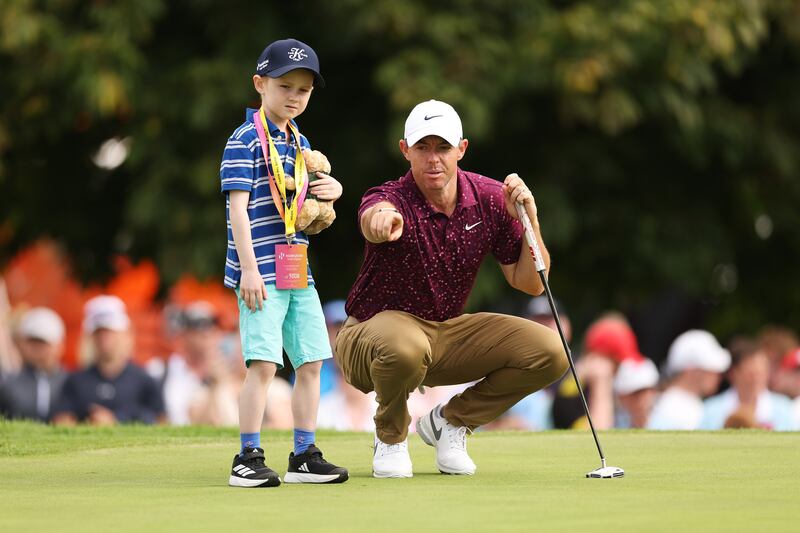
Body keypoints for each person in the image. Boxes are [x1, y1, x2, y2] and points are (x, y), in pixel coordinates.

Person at [335, 99, 569, 478]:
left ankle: (451, 423)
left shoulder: (491, 199)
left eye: (442, 147)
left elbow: (529, 284)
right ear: (405, 150)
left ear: (461, 149)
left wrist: (530, 219)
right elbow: (372, 216)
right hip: (368, 335)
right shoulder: (389, 197)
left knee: (550, 352)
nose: (433, 159)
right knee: (405, 347)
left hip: (444, 334)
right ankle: (391, 438)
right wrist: (381, 223)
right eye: (422, 148)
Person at [220, 38, 347, 488]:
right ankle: (247, 455)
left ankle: (303, 453)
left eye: (304, 90)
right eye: (284, 85)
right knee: (264, 364)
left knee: (312, 361)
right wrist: (248, 270)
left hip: (297, 269)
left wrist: (330, 190)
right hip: (260, 272)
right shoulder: (244, 140)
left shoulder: (301, 140)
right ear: (260, 84)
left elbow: (304, 205)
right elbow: (237, 209)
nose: (294, 96)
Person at [51, 295, 165, 426]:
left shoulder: (144, 380)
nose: (104, 338)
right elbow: (61, 419)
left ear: (125, 334)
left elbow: (160, 420)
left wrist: (117, 420)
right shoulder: (75, 381)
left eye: (110, 332)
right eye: (99, 333)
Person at [147, 301, 239, 426]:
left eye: (213, 325)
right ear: (184, 334)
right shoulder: (160, 369)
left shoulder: (231, 371)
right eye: (199, 327)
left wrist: (219, 383)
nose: (207, 333)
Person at [551, 314, 643, 430]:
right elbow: (599, 435)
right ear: (600, 358)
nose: (619, 371)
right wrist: (601, 382)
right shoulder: (571, 395)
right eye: (617, 364)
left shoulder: (577, 381)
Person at [700, 338, 795, 430]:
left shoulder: (784, 408)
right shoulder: (711, 410)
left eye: (761, 372)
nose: (757, 380)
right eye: (751, 374)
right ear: (732, 373)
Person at [647, 329, 730, 430]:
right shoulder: (677, 410)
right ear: (691, 370)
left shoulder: (678, 405)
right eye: (710, 369)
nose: (718, 375)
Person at [0, 307, 67, 421]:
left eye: (42, 342)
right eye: (32, 342)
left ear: (59, 346)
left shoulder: (72, 383)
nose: (37, 348)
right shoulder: (7, 383)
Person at [613, 357, 659, 428]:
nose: (642, 398)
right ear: (622, 397)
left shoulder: (669, 419)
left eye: (645, 390)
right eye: (635, 393)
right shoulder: (614, 424)